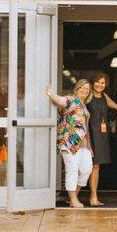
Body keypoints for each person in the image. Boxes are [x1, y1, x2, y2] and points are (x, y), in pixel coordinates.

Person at [45, 80, 93, 208]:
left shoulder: (84, 104)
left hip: (83, 143)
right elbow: (61, 101)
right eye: (82, 87)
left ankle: (73, 196)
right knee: (72, 170)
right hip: (70, 141)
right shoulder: (72, 99)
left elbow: (84, 125)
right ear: (77, 89)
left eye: (87, 89)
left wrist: (87, 143)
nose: (85, 90)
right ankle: (73, 199)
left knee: (86, 169)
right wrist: (51, 94)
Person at [86, 73, 117, 206]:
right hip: (89, 134)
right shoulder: (88, 95)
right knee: (87, 165)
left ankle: (92, 197)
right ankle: (80, 196)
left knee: (96, 165)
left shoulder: (104, 96)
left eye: (103, 83)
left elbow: (114, 105)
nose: (100, 85)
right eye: (98, 82)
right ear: (93, 82)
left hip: (101, 135)